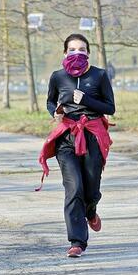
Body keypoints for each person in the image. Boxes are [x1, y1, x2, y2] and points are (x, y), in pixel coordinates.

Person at [38, 33, 115, 258]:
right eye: (72, 49)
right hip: (67, 137)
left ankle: (91, 210)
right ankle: (77, 241)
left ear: (88, 53)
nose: (77, 53)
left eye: (81, 49)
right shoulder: (57, 77)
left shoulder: (99, 75)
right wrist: (56, 112)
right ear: (65, 53)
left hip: (92, 135)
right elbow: (50, 101)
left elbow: (110, 107)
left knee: (91, 189)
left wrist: (87, 101)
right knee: (73, 188)